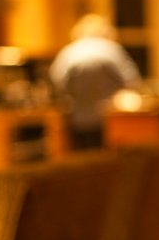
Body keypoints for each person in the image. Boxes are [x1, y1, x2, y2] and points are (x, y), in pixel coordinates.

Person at [50, 14, 140, 150]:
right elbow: (132, 81)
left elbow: (56, 83)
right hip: (109, 120)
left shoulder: (68, 52)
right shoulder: (111, 50)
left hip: (76, 120)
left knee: (82, 163)